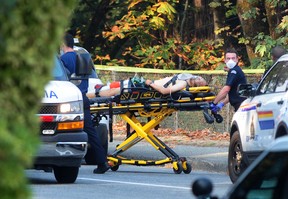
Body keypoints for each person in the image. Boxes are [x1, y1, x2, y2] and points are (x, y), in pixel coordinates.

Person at [61, 33, 110, 174]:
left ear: (62, 44)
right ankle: (102, 162)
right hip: (84, 98)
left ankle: (59, 161)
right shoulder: (83, 58)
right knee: (91, 132)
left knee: (62, 130)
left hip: (70, 101)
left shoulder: (63, 60)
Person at [87, 73, 207, 98]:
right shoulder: (187, 76)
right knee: (116, 86)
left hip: (146, 88)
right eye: (200, 77)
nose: (199, 77)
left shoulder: (182, 84)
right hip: (145, 84)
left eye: (200, 79)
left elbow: (165, 91)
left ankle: (87, 97)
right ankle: (97, 90)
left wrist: (151, 83)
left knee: (113, 91)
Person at [210, 48, 247, 112]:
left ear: (237, 59)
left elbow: (226, 89)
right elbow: (233, 93)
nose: (231, 60)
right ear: (225, 60)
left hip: (241, 107)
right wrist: (222, 104)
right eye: (228, 58)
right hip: (241, 106)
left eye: (233, 58)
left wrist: (214, 103)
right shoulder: (235, 70)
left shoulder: (234, 71)